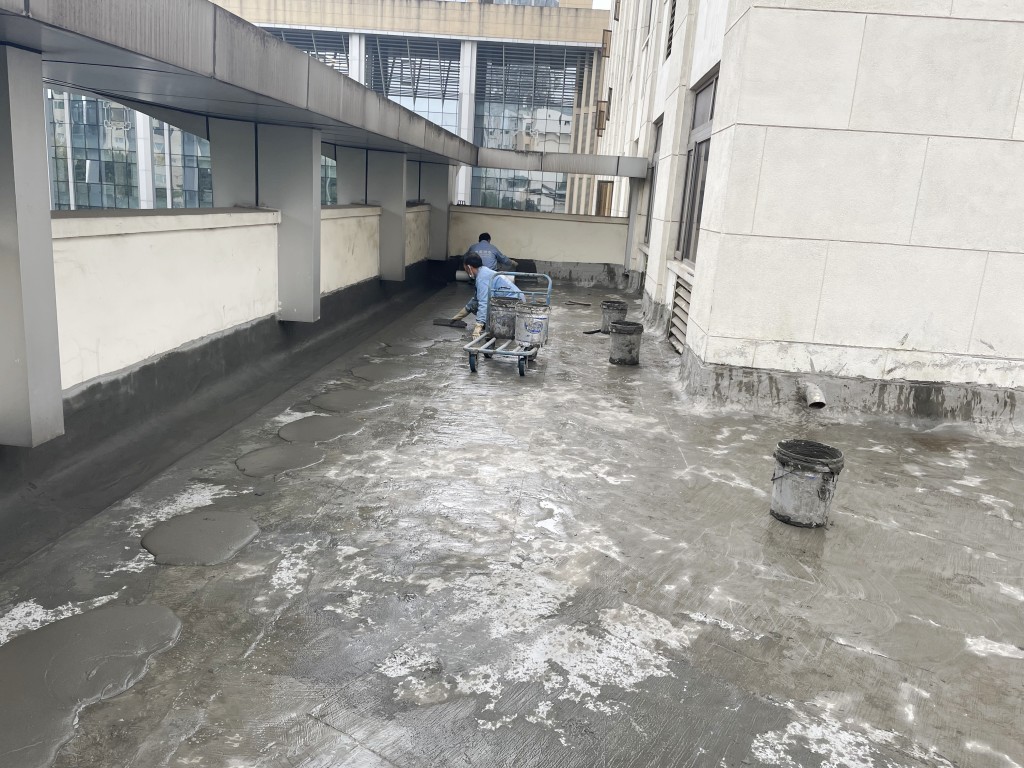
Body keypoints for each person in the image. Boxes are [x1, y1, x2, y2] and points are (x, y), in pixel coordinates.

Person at [450, 254, 525, 338]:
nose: (465, 271)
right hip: (516, 299)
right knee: (476, 305)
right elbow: (476, 299)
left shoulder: (482, 278)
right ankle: (490, 323)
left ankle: (496, 325)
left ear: (469, 267)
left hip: (513, 304)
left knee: (481, 306)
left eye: (465, 268)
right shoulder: (484, 272)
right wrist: (460, 315)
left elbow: (484, 302)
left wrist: (478, 326)